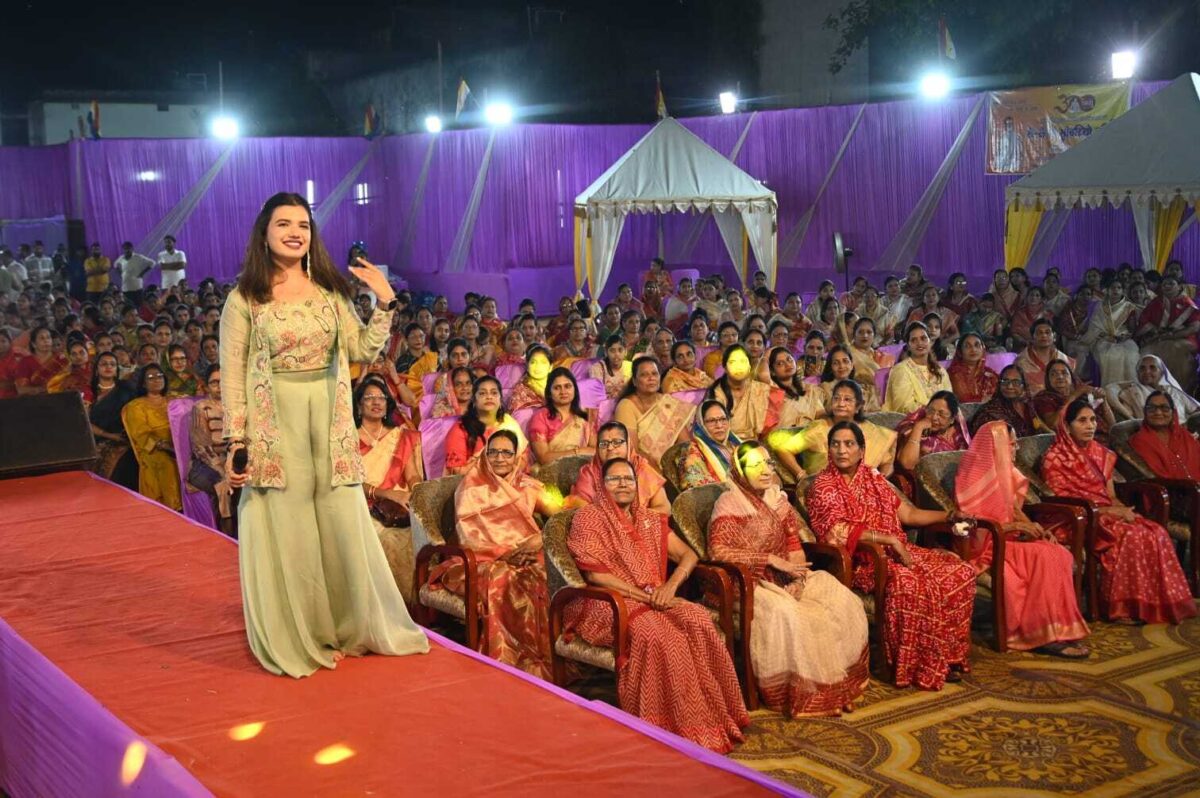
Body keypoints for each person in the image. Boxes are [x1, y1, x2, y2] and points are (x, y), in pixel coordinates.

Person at [220, 191, 428, 678]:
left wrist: (385, 301)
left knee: (338, 524)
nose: (295, 233)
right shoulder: (245, 298)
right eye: (283, 224)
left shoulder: (330, 291)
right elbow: (232, 375)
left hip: (329, 422)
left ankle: (347, 625)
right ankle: (301, 633)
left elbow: (363, 349)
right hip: (275, 424)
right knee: (289, 527)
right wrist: (236, 442)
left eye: (303, 225)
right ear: (264, 233)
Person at [565, 457, 750, 752]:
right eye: (614, 479)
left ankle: (711, 720)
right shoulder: (589, 518)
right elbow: (596, 575)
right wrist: (646, 597)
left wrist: (670, 587)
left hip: (655, 595)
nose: (622, 484)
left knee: (698, 619)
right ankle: (661, 727)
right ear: (601, 485)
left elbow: (689, 555)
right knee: (658, 636)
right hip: (607, 602)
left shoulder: (650, 520)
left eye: (628, 479)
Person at [807, 421, 977, 690]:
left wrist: (948, 515)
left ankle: (946, 658)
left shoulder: (874, 479)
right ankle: (912, 664)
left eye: (849, 444)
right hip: (862, 561)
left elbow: (909, 514)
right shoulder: (823, 485)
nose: (841, 450)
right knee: (909, 583)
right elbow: (836, 532)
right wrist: (888, 540)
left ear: (861, 450)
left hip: (896, 551)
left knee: (959, 572)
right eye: (835, 444)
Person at [710, 442, 870, 715]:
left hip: (786, 576)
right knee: (791, 614)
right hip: (748, 583)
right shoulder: (728, 503)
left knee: (839, 598)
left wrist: (798, 579)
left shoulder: (778, 500)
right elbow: (718, 551)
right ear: (739, 471)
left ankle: (838, 686)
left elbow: (794, 545)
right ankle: (805, 692)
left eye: (768, 463)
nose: (765, 471)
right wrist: (769, 560)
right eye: (755, 465)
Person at [1041, 400, 1196, 624]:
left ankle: (1152, 604)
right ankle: (1122, 609)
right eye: (1082, 421)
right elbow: (1062, 503)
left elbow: (1110, 494)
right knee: (1131, 535)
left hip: (1105, 513)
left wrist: (1121, 510)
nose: (1090, 426)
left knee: (1155, 532)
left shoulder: (1101, 454)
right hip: (1076, 519)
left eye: (1093, 420)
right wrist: (1111, 512)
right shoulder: (1055, 458)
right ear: (1066, 426)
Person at [430, 429, 557, 678]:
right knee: (503, 580)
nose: (499, 458)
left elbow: (562, 514)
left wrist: (540, 538)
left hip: (525, 555)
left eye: (506, 453)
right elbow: (469, 537)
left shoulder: (528, 485)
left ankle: (540, 658)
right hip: (477, 561)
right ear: (485, 455)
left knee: (544, 575)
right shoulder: (470, 487)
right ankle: (505, 660)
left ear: (517, 457)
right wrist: (505, 554)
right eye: (493, 452)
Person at [956, 420, 1091, 655]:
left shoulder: (1008, 473)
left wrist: (1034, 528)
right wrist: (1016, 527)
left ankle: (1058, 630)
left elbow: (1014, 511)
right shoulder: (973, 477)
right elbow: (975, 530)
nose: (1016, 449)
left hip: (1009, 540)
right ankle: (1042, 635)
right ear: (996, 445)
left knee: (1057, 552)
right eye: (1012, 444)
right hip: (988, 547)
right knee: (1044, 556)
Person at [768, 379, 896, 484]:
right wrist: (801, 475)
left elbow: (887, 462)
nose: (841, 404)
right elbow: (784, 449)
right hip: (827, 493)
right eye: (836, 398)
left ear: (858, 406)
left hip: (866, 490)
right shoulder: (820, 429)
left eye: (847, 399)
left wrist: (880, 481)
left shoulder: (871, 431)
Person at [566, 421, 671, 513]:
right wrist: (614, 521)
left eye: (617, 442)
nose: (610, 447)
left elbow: (664, 508)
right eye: (604, 444)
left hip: (644, 525)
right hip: (601, 527)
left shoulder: (642, 468)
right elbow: (582, 509)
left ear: (628, 445)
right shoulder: (589, 473)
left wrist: (634, 519)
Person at [613, 356, 695, 470]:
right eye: (644, 375)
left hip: (674, 466)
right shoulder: (626, 406)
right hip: (644, 468)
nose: (651, 378)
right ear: (635, 381)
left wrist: (686, 467)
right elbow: (633, 451)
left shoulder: (668, 403)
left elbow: (685, 444)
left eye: (654, 374)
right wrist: (660, 474)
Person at [122, 364, 182, 511]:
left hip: (180, 445)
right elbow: (142, 435)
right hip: (155, 450)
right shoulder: (135, 406)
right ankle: (173, 508)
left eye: (160, 376)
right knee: (166, 463)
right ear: (143, 383)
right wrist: (167, 446)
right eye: (151, 377)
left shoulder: (175, 401)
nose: (157, 379)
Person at [445, 375, 527, 475]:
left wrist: (507, 475)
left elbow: (523, 457)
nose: (489, 397)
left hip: (510, 478)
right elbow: (456, 471)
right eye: (482, 393)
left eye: (494, 393)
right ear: (474, 401)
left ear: (500, 400)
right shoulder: (460, 429)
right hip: (474, 481)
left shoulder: (508, 423)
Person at [1135, 274, 1200, 394]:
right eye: (1164, 284)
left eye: (1171, 283)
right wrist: (1155, 330)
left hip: (1183, 339)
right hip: (1159, 338)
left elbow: (1195, 327)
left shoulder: (1187, 303)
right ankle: (1150, 393)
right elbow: (1144, 320)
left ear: (1179, 286)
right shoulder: (1156, 301)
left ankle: (1178, 392)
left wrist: (1172, 335)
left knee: (1175, 350)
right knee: (1145, 353)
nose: (1167, 286)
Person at [189, 364, 234, 531]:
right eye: (214, 382)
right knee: (224, 484)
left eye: (223, 381)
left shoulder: (236, 406)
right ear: (207, 386)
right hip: (205, 464)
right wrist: (222, 468)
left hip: (231, 459)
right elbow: (201, 447)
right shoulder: (201, 407)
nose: (219, 386)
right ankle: (227, 534)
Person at [707, 345, 783, 442]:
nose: (738, 367)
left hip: (758, 444)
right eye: (732, 362)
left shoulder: (761, 390)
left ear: (749, 366)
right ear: (725, 368)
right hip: (724, 444)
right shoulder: (716, 393)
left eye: (743, 361)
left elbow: (773, 427)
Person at [88, 351, 138, 489]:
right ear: (96, 369)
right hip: (98, 440)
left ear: (117, 369)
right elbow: (84, 422)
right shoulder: (89, 392)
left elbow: (135, 414)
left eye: (112, 364)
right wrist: (109, 435)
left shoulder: (126, 389)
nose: (108, 367)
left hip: (125, 441)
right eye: (104, 364)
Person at [1031, 359, 1115, 439]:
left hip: (1105, 438)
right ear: (1048, 380)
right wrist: (1074, 395)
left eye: (1064, 373)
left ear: (1071, 377)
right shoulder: (1044, 398)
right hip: (1074, 442)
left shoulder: (1084, 395)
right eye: (1053, 374)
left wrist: (1104, 401)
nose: (1060, 377)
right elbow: (1054, 424)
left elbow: (1113, 425)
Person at [528, 367, 596, 465]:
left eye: (567, 386)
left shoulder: (584, 417)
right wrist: (577, 452)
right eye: (557, 388)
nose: (563, 391)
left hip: (583, 469)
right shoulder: (540, 417)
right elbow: (544, 457)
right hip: (549, 471)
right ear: (549, 393)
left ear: (575, 389)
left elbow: (596, 450)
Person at [1130, 390, 1200, 481]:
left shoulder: (1183, 435)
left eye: (1164, 408)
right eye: (1152, 408)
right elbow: (1160, 478)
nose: (1158, 412)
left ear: (1173, 412)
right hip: (1174, 488)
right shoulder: (1140, 441)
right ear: (1145, 412)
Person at [895, 390, 971, 474]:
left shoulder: (958, 437)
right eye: (931, 411)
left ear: (952, 419)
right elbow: (907, 464)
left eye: (941, 414)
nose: (934, 417)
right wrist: (918, 428)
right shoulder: (913, 424)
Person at [884, 322, 952, 413]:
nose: (919, 343)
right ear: (908, 346)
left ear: (930, 342)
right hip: (913, 419)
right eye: (914, 340)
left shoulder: (940, 371)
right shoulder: (901, 370)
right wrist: (933, 412)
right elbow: (903, 407)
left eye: (923, 338)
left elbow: (950, 399)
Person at [1109, 354, 1200, 422]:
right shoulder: (1131, 392)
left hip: (1184, 432)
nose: (1147, 371)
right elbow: (1128, 417)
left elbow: (1195, 409)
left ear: (1161, 373)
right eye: (1142, 368)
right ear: (1137, 373)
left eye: (1152, 368)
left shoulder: (1172, 389)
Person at [1085, 279, 1140, 387]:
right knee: (1108, 354)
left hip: (1124, 337)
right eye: (1113, 288)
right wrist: (1106, 336)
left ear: (1123, 291)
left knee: (1131, 353)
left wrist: (1124, 337)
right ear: (1107, 290)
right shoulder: (1100, 306)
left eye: (1119, 288)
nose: (1116, 290)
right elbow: (1094, 326)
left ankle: (1131, 387)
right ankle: (1110, 387)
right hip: (1103, 338)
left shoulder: (1128, 307)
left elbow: (1132, 329)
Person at [679, 400, 743, 489]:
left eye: (723, 419)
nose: (719, 426)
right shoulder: (693, 453)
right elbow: (697, 489)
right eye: (712, 421)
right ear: (701, 424)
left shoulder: (735, 444)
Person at [969, 365, 1037, 437]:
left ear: (1024, 385)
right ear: (999, 384)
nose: (1010, 386)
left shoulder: (1031, 407)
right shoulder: (990, 412)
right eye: (1005, 381)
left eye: (1016, 382)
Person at [767, 347, 826, 429]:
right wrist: (765, 357)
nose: (787, 365)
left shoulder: (808, 389)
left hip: (810, 434)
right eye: (780, 363)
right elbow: (762, 374)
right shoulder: (772, 389)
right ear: (772, 371)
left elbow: (821, 415)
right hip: (782, 435)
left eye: (789, 359)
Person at [1014, 319, 1074, 395]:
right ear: (1032, 337)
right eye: (1039, 333)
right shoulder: (1021, 362)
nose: (1044, 336)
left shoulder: (1066, 361)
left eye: (1047, 332)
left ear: (1054, 336)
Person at [14, 326, 66, 395]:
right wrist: (42, 389)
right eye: (42, 338)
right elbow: (21, 389)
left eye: (48, 337)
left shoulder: (62, 359)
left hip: (62, 397)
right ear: (34, 344)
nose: (46, 341)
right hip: (37, 399)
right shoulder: (26, 362)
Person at [948, 333, 998, 403]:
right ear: (960, 352)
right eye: (967, 346)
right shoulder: (954, 373)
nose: (973, 349)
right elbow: (963, 398)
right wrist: (982, 400)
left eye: (977, 345)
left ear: (983, 349)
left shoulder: (990, 374)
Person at [508, 345, 552, 411]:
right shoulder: (521, 392)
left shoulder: (557, 387)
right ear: (527, 366)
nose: (538, 366)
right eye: (533, 362)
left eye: (543, 362)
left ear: (550, 367)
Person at [114, 242, 155, 306]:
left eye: (128, 248)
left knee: (139, 306)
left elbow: (152, 263)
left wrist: (143, 273)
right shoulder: (121, 258)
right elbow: (115, 265)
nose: (127, 250)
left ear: (132, 249)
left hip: (137, 288)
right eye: (125, 249)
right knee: (128, 306)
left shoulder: (138, 257)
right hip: (126, 288)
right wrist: (121, 274)